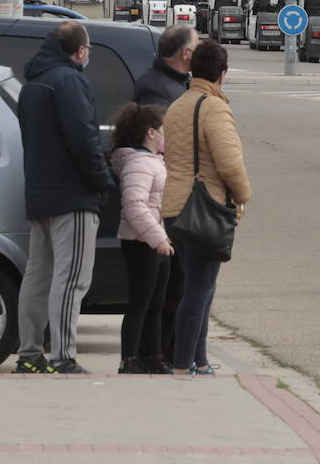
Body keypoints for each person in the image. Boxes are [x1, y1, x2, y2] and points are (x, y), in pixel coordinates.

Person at [14, 21, 115, 375]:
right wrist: (102, 182)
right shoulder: (69, 81)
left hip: (39, 194)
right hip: (72, 196)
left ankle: (29, 354)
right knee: (71, 279)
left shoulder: (33, 84)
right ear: (81, 51)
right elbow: (84, 140)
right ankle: (63, 357)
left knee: (38, 276)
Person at [161, 39, 251, 375]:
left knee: (195, 287)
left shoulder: (178, 105)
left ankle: (199, 360)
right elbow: (229, 163)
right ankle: (185, 363)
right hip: (204, 207)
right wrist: (243, 194)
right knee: (200, 290)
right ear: (222, 74)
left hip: (174, 207)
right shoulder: (214, 108)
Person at [130, 24, 195, 364]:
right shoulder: (159, 91)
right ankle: (158, 354)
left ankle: (161, 351)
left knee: (171, 284)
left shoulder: (169, 84)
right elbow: (162, 146)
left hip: (169, 195)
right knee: (169, 286)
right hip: (163, 200)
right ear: (185, 54)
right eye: (195, 45)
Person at [108, 103, 174, 375]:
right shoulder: (138, 163)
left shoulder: (152, 161)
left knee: (157, 303)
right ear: (150, 133)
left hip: (156, 240)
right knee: (140, 301)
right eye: (163, 131)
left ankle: (154, 355)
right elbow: (135, 205)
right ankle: (129, 357)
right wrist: (157, 238)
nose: (166, 136)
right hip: (141, 242)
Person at [133, 25, 196, 107]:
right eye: (197, 48)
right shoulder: (155, 91)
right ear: (186, 53)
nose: (200, 54)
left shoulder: (178, 80)